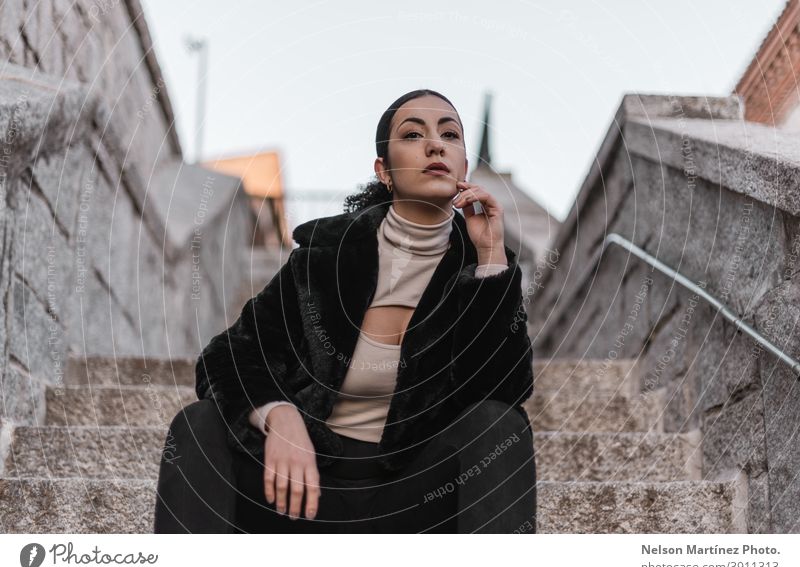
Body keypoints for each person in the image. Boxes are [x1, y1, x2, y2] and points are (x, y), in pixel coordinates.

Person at [154, 88, 537, 534]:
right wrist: (278, 416)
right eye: (413, 134)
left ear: (463, 167)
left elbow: (504, 390)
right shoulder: (324, 259)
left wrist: (490, 256)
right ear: (385, 171)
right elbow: (227, 357)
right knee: (198, 425)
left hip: (412, 496)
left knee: (500, 425)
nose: (436, 144)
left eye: (450, 134)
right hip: (303, 490)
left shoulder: (480, 271)